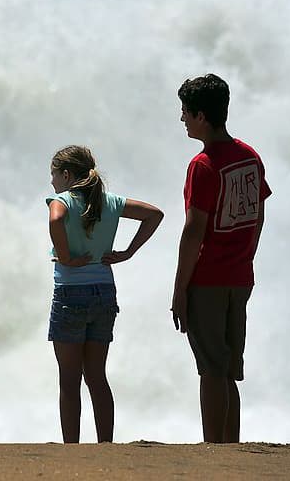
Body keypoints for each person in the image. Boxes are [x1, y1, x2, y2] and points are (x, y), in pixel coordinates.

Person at [171, 73, 272, 444]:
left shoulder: (203, 165)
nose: (182, 118)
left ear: (201, 116)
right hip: (239, 277)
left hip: (208, 279)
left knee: (211, 369)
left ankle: (214, 450)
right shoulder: (250, 157)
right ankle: (231, 447)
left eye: (185, 112)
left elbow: (193, 230)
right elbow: (258, 216)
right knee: (227, 369)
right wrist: (246, 257)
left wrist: (180, 289)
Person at [46, 145, 164, 444]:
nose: (51, 181)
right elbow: (154, 215)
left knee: (69, 380)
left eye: (54, 174)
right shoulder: (109, 201)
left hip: (71, 293)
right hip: (104, 292)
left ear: (66, 175)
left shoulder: (63, 200)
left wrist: (66, 257)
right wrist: (128, 252)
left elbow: (56, 219)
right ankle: (105, 446)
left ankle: (71, 448)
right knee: (96, 377)